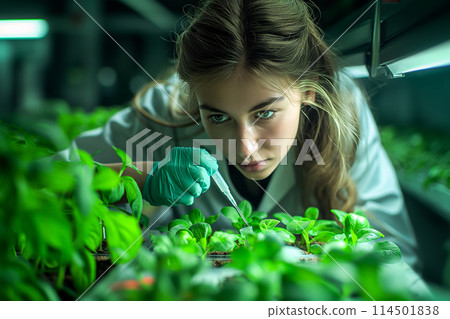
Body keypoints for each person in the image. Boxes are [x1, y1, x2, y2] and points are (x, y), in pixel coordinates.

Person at [58, 0, 419, 270]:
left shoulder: (344, 111)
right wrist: (141, 176)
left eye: (265, 112)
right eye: (217, 116)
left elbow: (396, 253)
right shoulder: (165, 107)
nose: (244, 146)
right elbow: (46, 178)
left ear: (308, 91)